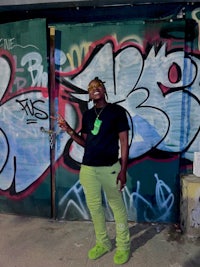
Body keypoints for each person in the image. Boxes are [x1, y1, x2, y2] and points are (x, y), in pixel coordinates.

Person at [56, 77, 130, 265]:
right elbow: (85, 143)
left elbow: (124, 142)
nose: (95, 89)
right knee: (95, 209)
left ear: (104, 90)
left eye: (98, 86)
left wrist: (123, 170)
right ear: (89, 95)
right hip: (89, 170)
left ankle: (123, 246)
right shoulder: (88, 115)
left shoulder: (117, 112)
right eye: (91, 88)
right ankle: (103, 243)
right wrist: (69, 130)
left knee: (117, 208)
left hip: (110, 169)